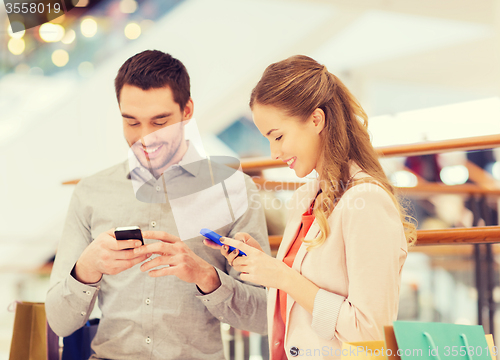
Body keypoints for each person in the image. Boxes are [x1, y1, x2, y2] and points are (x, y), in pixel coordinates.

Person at [46, 50, 270, 360]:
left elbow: (264, 316)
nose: (145, 138)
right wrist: (86, 268)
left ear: (187, 110)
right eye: (132, 122)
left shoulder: (233, 191)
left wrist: (206, 277)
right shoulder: (91, 193)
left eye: (160, 122)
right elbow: (59, 322)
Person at [205, 55, 416, 359]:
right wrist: (268, 265)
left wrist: (283, 276)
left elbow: (372, 334)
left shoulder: (366, 200)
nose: (274, 152)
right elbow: (305, 292)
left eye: (278, 136)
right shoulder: (307, 196)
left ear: (316, 120)